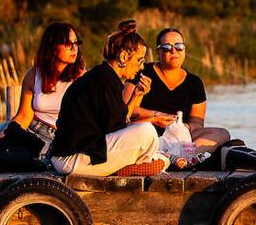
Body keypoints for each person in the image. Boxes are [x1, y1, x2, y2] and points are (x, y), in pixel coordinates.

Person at [48, 20, 169, 177]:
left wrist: (137, 95)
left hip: (79, 154)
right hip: (73, 159)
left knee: (157, 150)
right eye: (139, 60)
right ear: (124, 56)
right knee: (147, 132)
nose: (141, 67)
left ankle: (135, 165)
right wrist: (153, 119)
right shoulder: (104, 81)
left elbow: (120, 120)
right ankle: (132, 167)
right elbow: (119, 128)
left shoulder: (105, 76)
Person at [0, 22, 85, 171]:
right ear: (52, 46)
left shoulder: (82, 78)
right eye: (67, 43)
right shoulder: (33, 75)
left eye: (76, 43)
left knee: (31, 160)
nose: (74, 48)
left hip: (57, 136)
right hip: (30, 131)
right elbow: (24, 116)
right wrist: (6, 132)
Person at [133, 28, 230, 151]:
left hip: (178, 137)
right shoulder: (142, 72)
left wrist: (182, 126)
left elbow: (197, 123)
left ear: (184, 49)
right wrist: (157, 117)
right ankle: (171, 155)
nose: (174, 51)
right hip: (147, 134)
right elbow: (126, 109)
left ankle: (185, 155)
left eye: (178, 46)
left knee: (222, 134)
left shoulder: (195, 82)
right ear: (158, 52)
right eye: (167, 47)